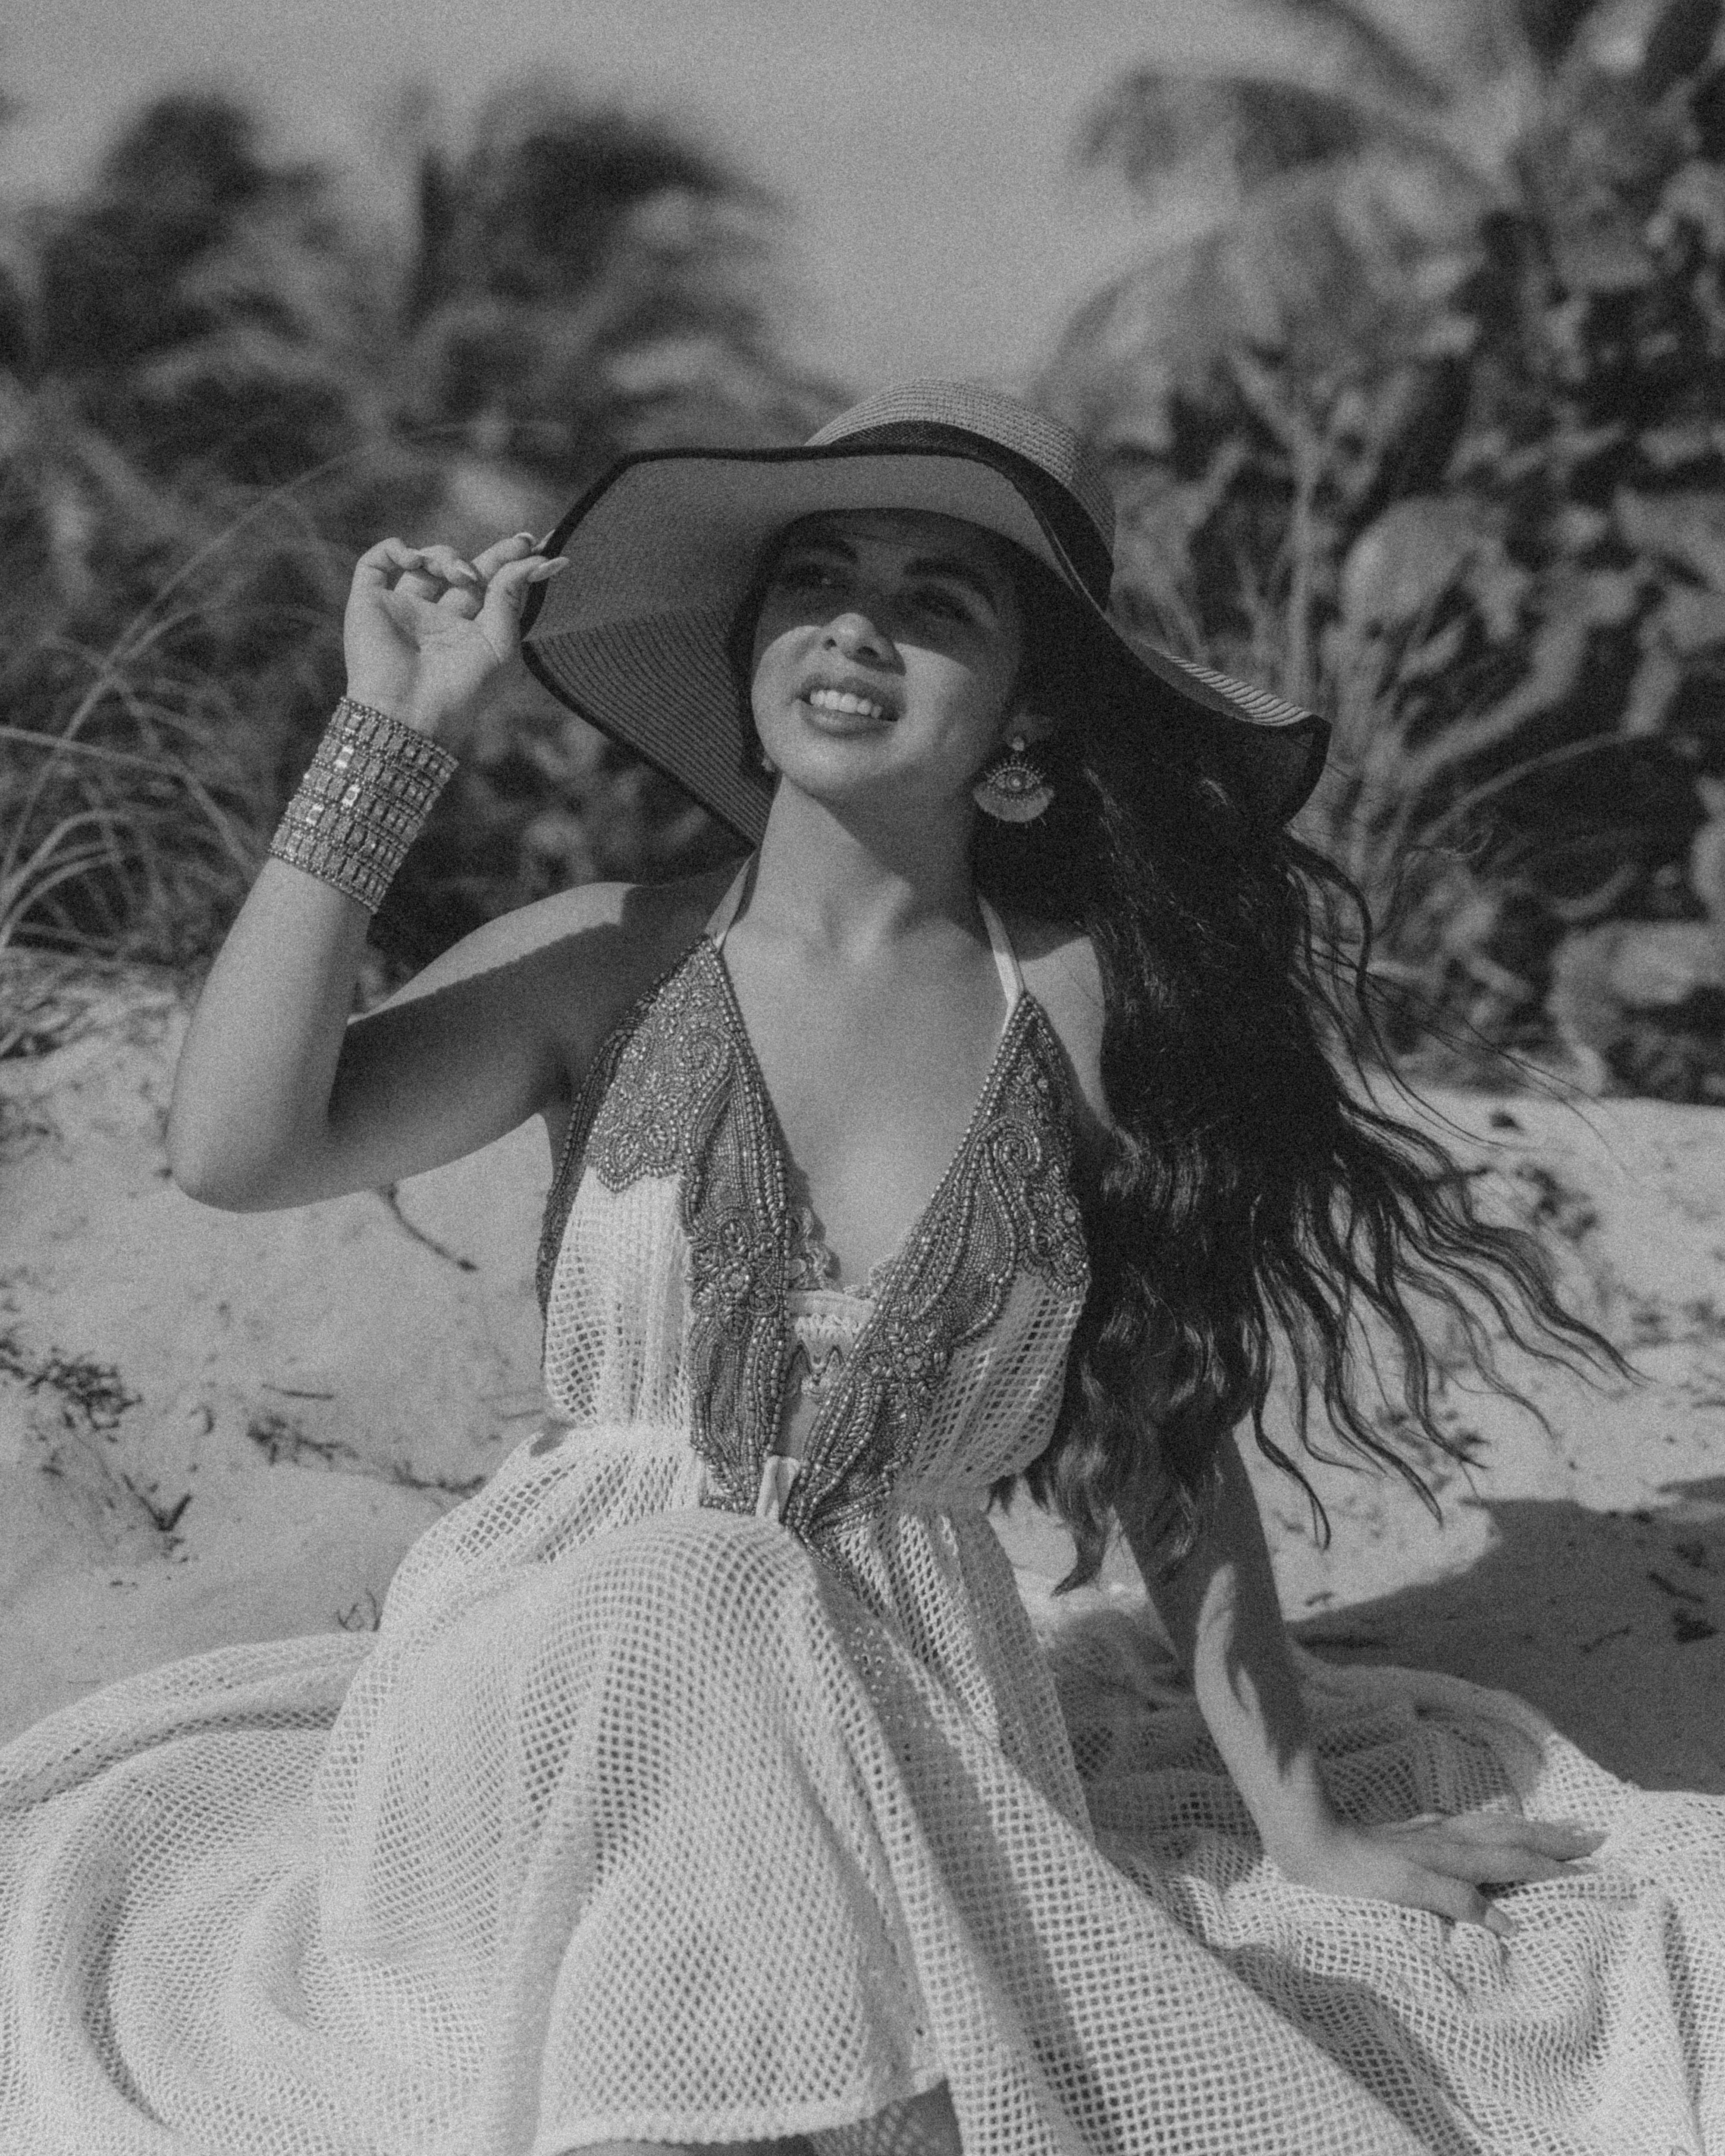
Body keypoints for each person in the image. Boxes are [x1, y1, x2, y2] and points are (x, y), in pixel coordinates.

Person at [0, 380, 1720, 2156]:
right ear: (751, 648)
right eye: (818, 572)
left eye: (938, 596)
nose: (855, 624)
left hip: (912, 1725)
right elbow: (234, 1146)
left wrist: (1300, 1813)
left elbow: (1167, 1434)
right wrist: (389, 733)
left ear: (1032, 701)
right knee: (690, 1589)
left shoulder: (1074, 1006)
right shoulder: (607, 957)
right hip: (555, 1691)